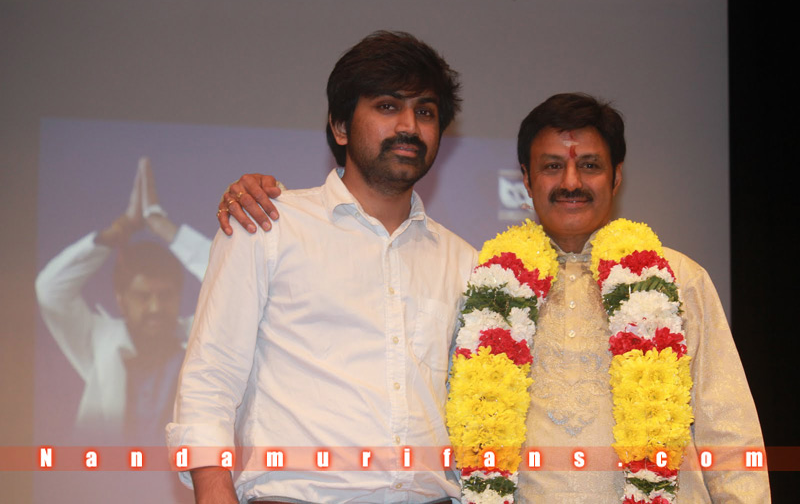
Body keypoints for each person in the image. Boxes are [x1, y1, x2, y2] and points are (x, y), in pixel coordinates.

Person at [220, 93, 770, 502]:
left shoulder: (677, 278)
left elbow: (730, 427)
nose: (570, 182)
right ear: (526, 181)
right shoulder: (486, 283)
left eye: (590, 165)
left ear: (617, 177)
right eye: (552, 166)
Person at [167, 31, 477, 504]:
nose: (410, 126)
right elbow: (210, 379)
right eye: (388, 106)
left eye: (426, 112)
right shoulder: (268, 225)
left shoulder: (463, 260)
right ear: (340, 126)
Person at [36, 157, 210, 441]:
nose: (155, 307)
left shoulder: (199, 341)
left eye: (165, 295)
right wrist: (121, 229)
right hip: (106, 471)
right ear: (121, 299)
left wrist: (160, 225)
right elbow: (50, 289)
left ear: (179, 296)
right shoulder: (100, 342)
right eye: (143, 296)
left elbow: (236, 282)